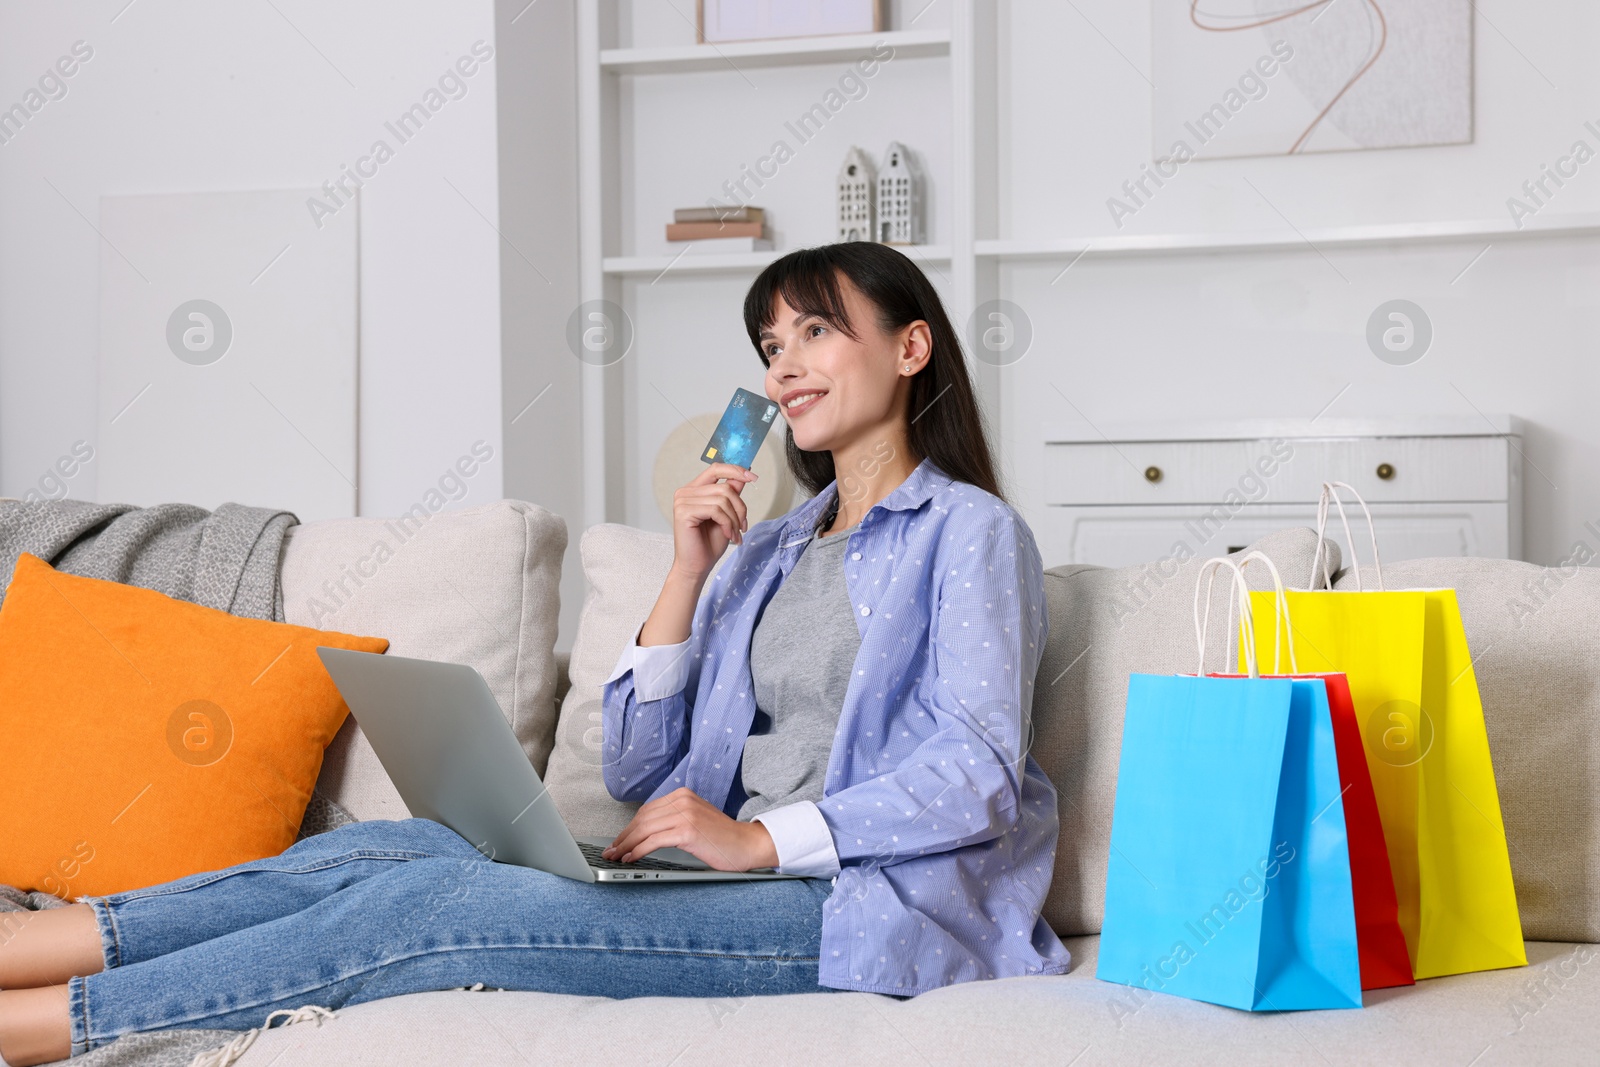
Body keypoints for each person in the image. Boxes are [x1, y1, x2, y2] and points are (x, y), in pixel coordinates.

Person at [0, 243, 1069, 1066]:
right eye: (769, 347)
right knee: (400, 847)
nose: (784, 365)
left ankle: (44, 1028)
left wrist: (756, 838)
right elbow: (638, 774)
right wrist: (687, 576)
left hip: (861, 913)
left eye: (815, 333)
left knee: (434, 911)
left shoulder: (969, 533)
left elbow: (975, 771)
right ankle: (22, 955)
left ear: (910, 345)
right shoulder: (772, 548)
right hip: (715, 883)